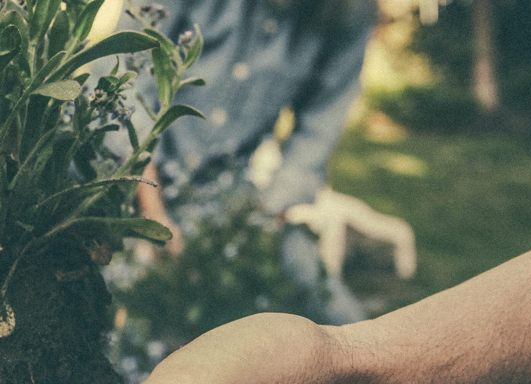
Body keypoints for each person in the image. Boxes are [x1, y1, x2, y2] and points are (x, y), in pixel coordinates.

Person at [145, 196, 531, 383]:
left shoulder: (344, 22)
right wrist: (345, 355)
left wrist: (340, 355)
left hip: (267, 204)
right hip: (176, 202)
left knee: (318, 286)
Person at [135, 0, 378, 324]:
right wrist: (153, 215)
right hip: (126, 180)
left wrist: (256, 223)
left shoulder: (349, 12)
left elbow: (316, 135)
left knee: (335, 310)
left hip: (230, 196)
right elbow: (126, 86)